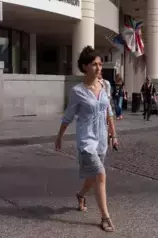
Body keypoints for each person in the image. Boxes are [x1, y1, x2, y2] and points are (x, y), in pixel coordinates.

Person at [55, 46, 118, 232]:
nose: (99, 68)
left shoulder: (105, 85)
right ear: (84, 67)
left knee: (93, 175)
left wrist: (114, 135)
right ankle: (105, 217)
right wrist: (59, 136)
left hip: (102, 138)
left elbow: (109, 112)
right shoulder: (77, 91)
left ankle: (81, 195)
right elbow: (68, 116)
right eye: (94, 64)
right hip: (86, 140)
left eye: (100, 64)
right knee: (100, 174)